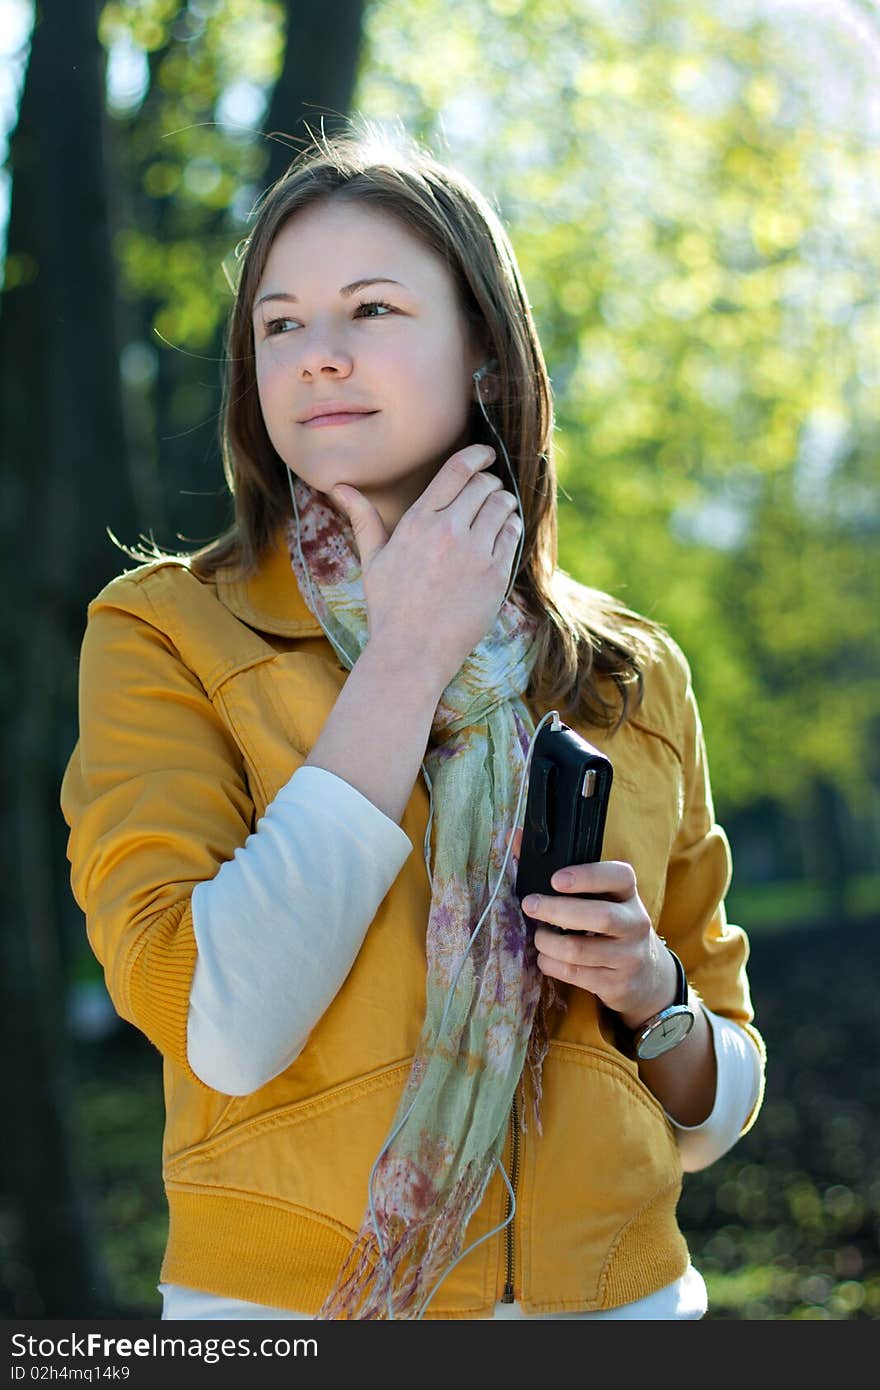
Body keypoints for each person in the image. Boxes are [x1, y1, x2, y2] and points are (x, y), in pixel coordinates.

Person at [60, 120, 765, 1322]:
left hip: (624, 1305)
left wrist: (652, 991)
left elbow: (713, 1104)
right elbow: (219, 1025)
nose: (316, 357)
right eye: (279, 324)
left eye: (371, 310)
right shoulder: (165, 633)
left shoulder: (628, 669)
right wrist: (406, 658)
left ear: (487, 354)